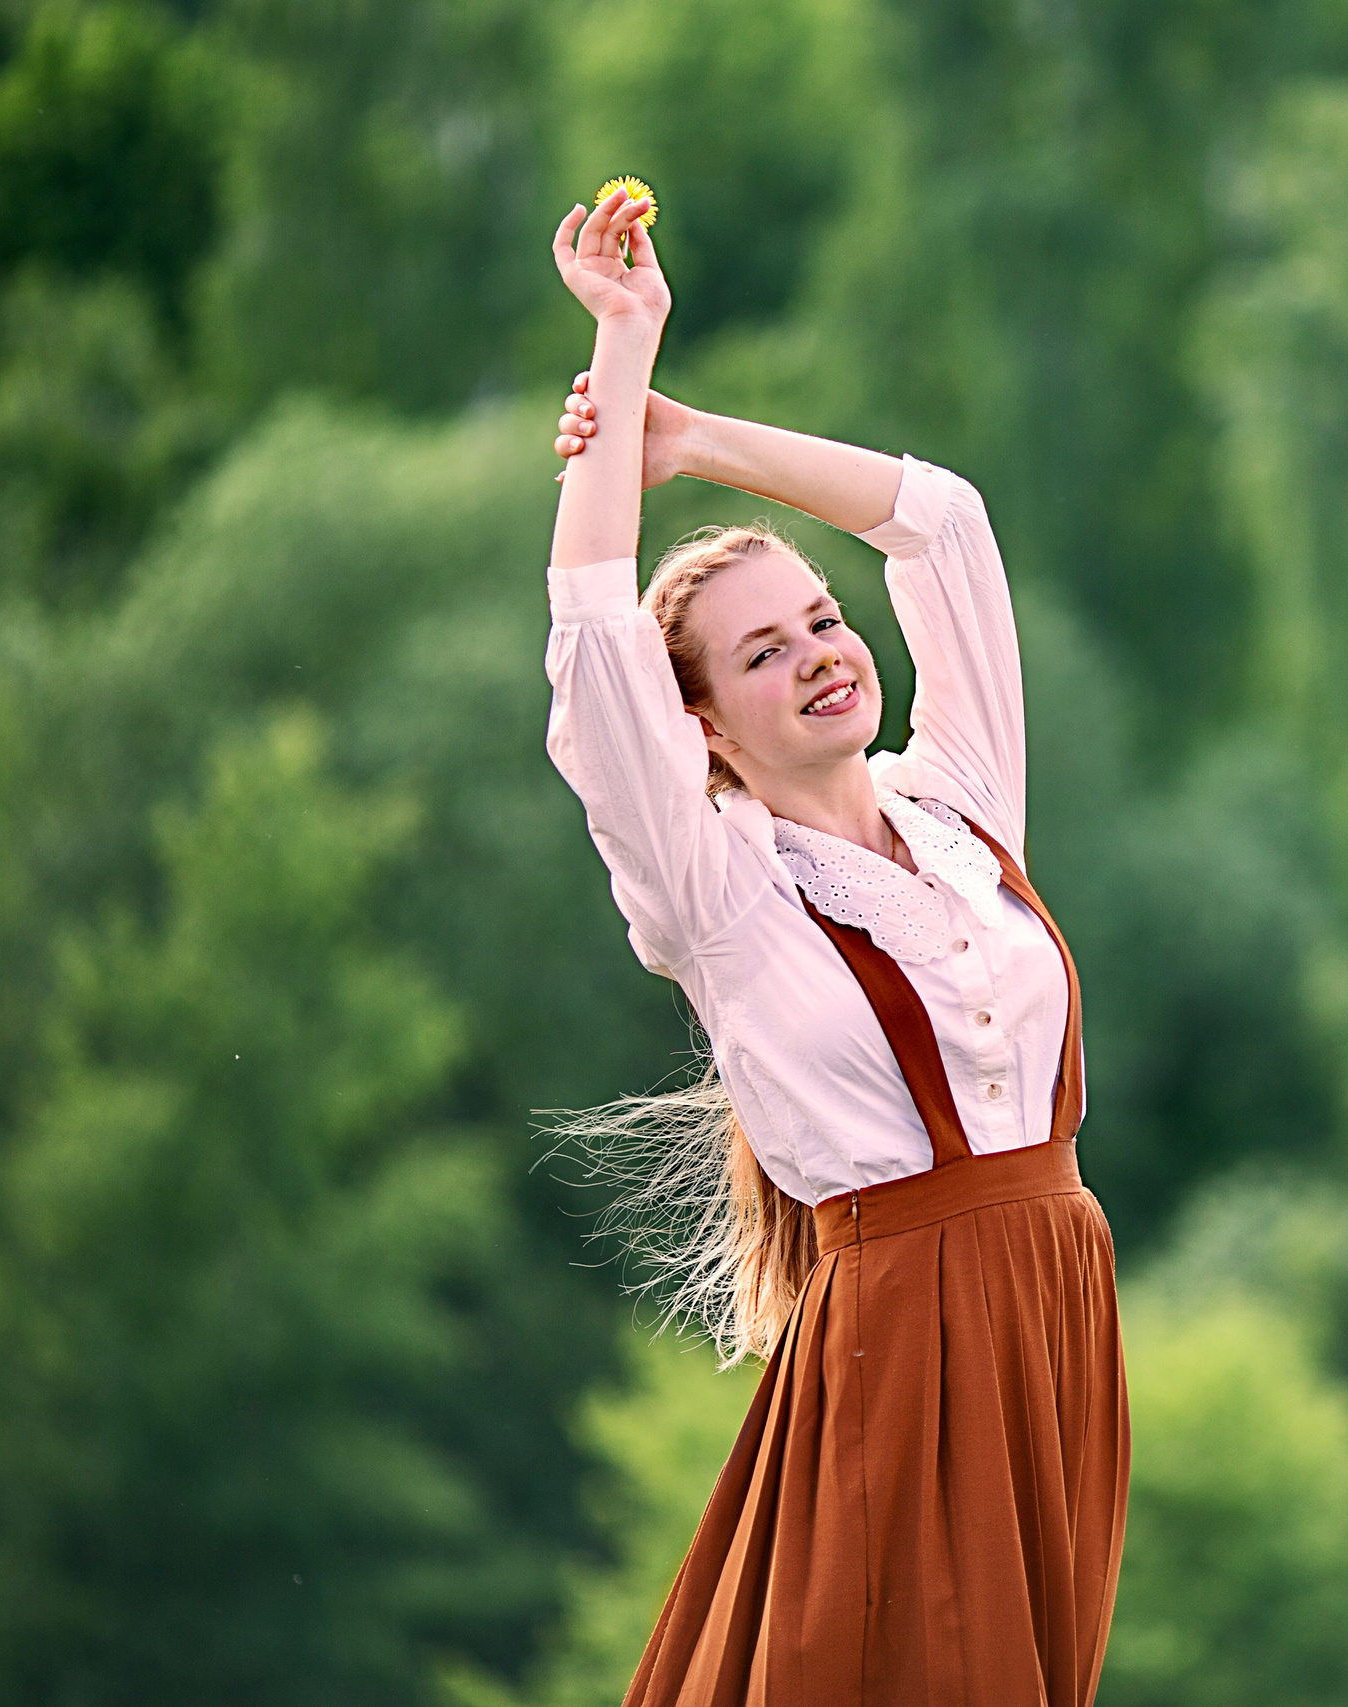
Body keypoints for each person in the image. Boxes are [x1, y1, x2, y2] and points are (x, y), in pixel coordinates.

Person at [540, 191, 1128, 1707]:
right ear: (701, 729)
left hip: (1057, 1310)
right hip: (904, 1339)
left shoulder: (963, 809)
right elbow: (594, 633)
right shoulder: (715, 888)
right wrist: (625, 345)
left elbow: (942, 524)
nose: (819, 654)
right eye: (763, 653)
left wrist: (691, 440)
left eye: (818, 619)